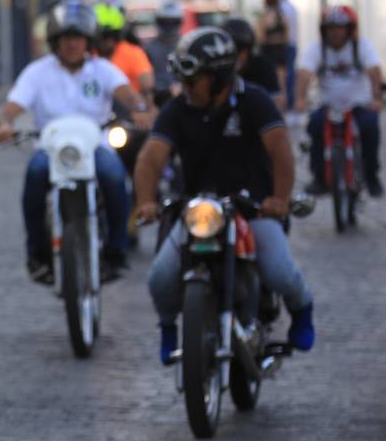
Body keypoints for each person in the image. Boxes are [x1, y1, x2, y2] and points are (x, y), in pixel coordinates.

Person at [134, 27, 314, 364]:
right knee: (160, 276)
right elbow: (152, 156)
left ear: (218, 78)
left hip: (253, 209)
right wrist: (146, 201)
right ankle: (169, 328)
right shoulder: (178, 108)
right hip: (197, 209)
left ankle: (302, 308)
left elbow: (280, 151)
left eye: (193, 80)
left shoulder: (255, 101)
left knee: (279, 272)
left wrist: (278, 198)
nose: (185, 88)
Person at [0, 0, 155, 285]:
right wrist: (5, 124)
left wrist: (140, 110)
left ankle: (118, 250)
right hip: (50, 147)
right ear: (55, 40)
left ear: (88, 40)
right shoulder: (37, 71)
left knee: (116, 178)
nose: (72, 44)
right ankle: (38, 253)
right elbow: (11, 108)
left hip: (96, 145)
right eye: (66, 38)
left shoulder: (102, 69)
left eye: (78, 37)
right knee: (34, 175)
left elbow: (128, 95)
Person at [295, 4, 384, 197]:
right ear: (324, 30)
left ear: (350, 29)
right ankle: (319, 177)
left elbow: (374, 71)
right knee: (315, 126)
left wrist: (377, 98)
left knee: (370, 126)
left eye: (340, 27)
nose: (335, 32)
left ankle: (371, 176)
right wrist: (300, 99)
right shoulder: (318, 48)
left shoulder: (362, 46)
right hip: (328, 105)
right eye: (331, 28)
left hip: (359, 104)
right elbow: (304, 73)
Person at [95, 0, 155, 104]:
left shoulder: (133, 53)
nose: (103, 42)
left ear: (116, 36)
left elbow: (147, 87)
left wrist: (142, 109)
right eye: (100, 37)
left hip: (127, 110)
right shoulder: (86, 56)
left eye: (108, 36)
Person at [222, 16, 282, 104]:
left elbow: (277, 101)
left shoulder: (263, 67)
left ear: (248, 51)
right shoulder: (217, 72)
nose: (236, 56)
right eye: (229, 51)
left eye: (240, 49)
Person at [145, 0, 186, 104]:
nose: (169, 27)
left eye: (173, 22)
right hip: (157, 100)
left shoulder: (187, 46)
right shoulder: (149, 48)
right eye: (165, 22)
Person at [257, 0, 293, 99]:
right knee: (282, 84)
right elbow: (287, 37)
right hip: (280, 50)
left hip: (269, 52)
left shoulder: (265, 17)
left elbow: (260, 38)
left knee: (270, 83)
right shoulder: (282, 17)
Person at [273, 0, 300, 110]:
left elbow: (285, 29)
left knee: (285, 76)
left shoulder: (281, 8)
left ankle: (289, 103)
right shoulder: (292, 7)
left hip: (284, 46)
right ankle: (290, 102)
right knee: (289, 74)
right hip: (292, 44)